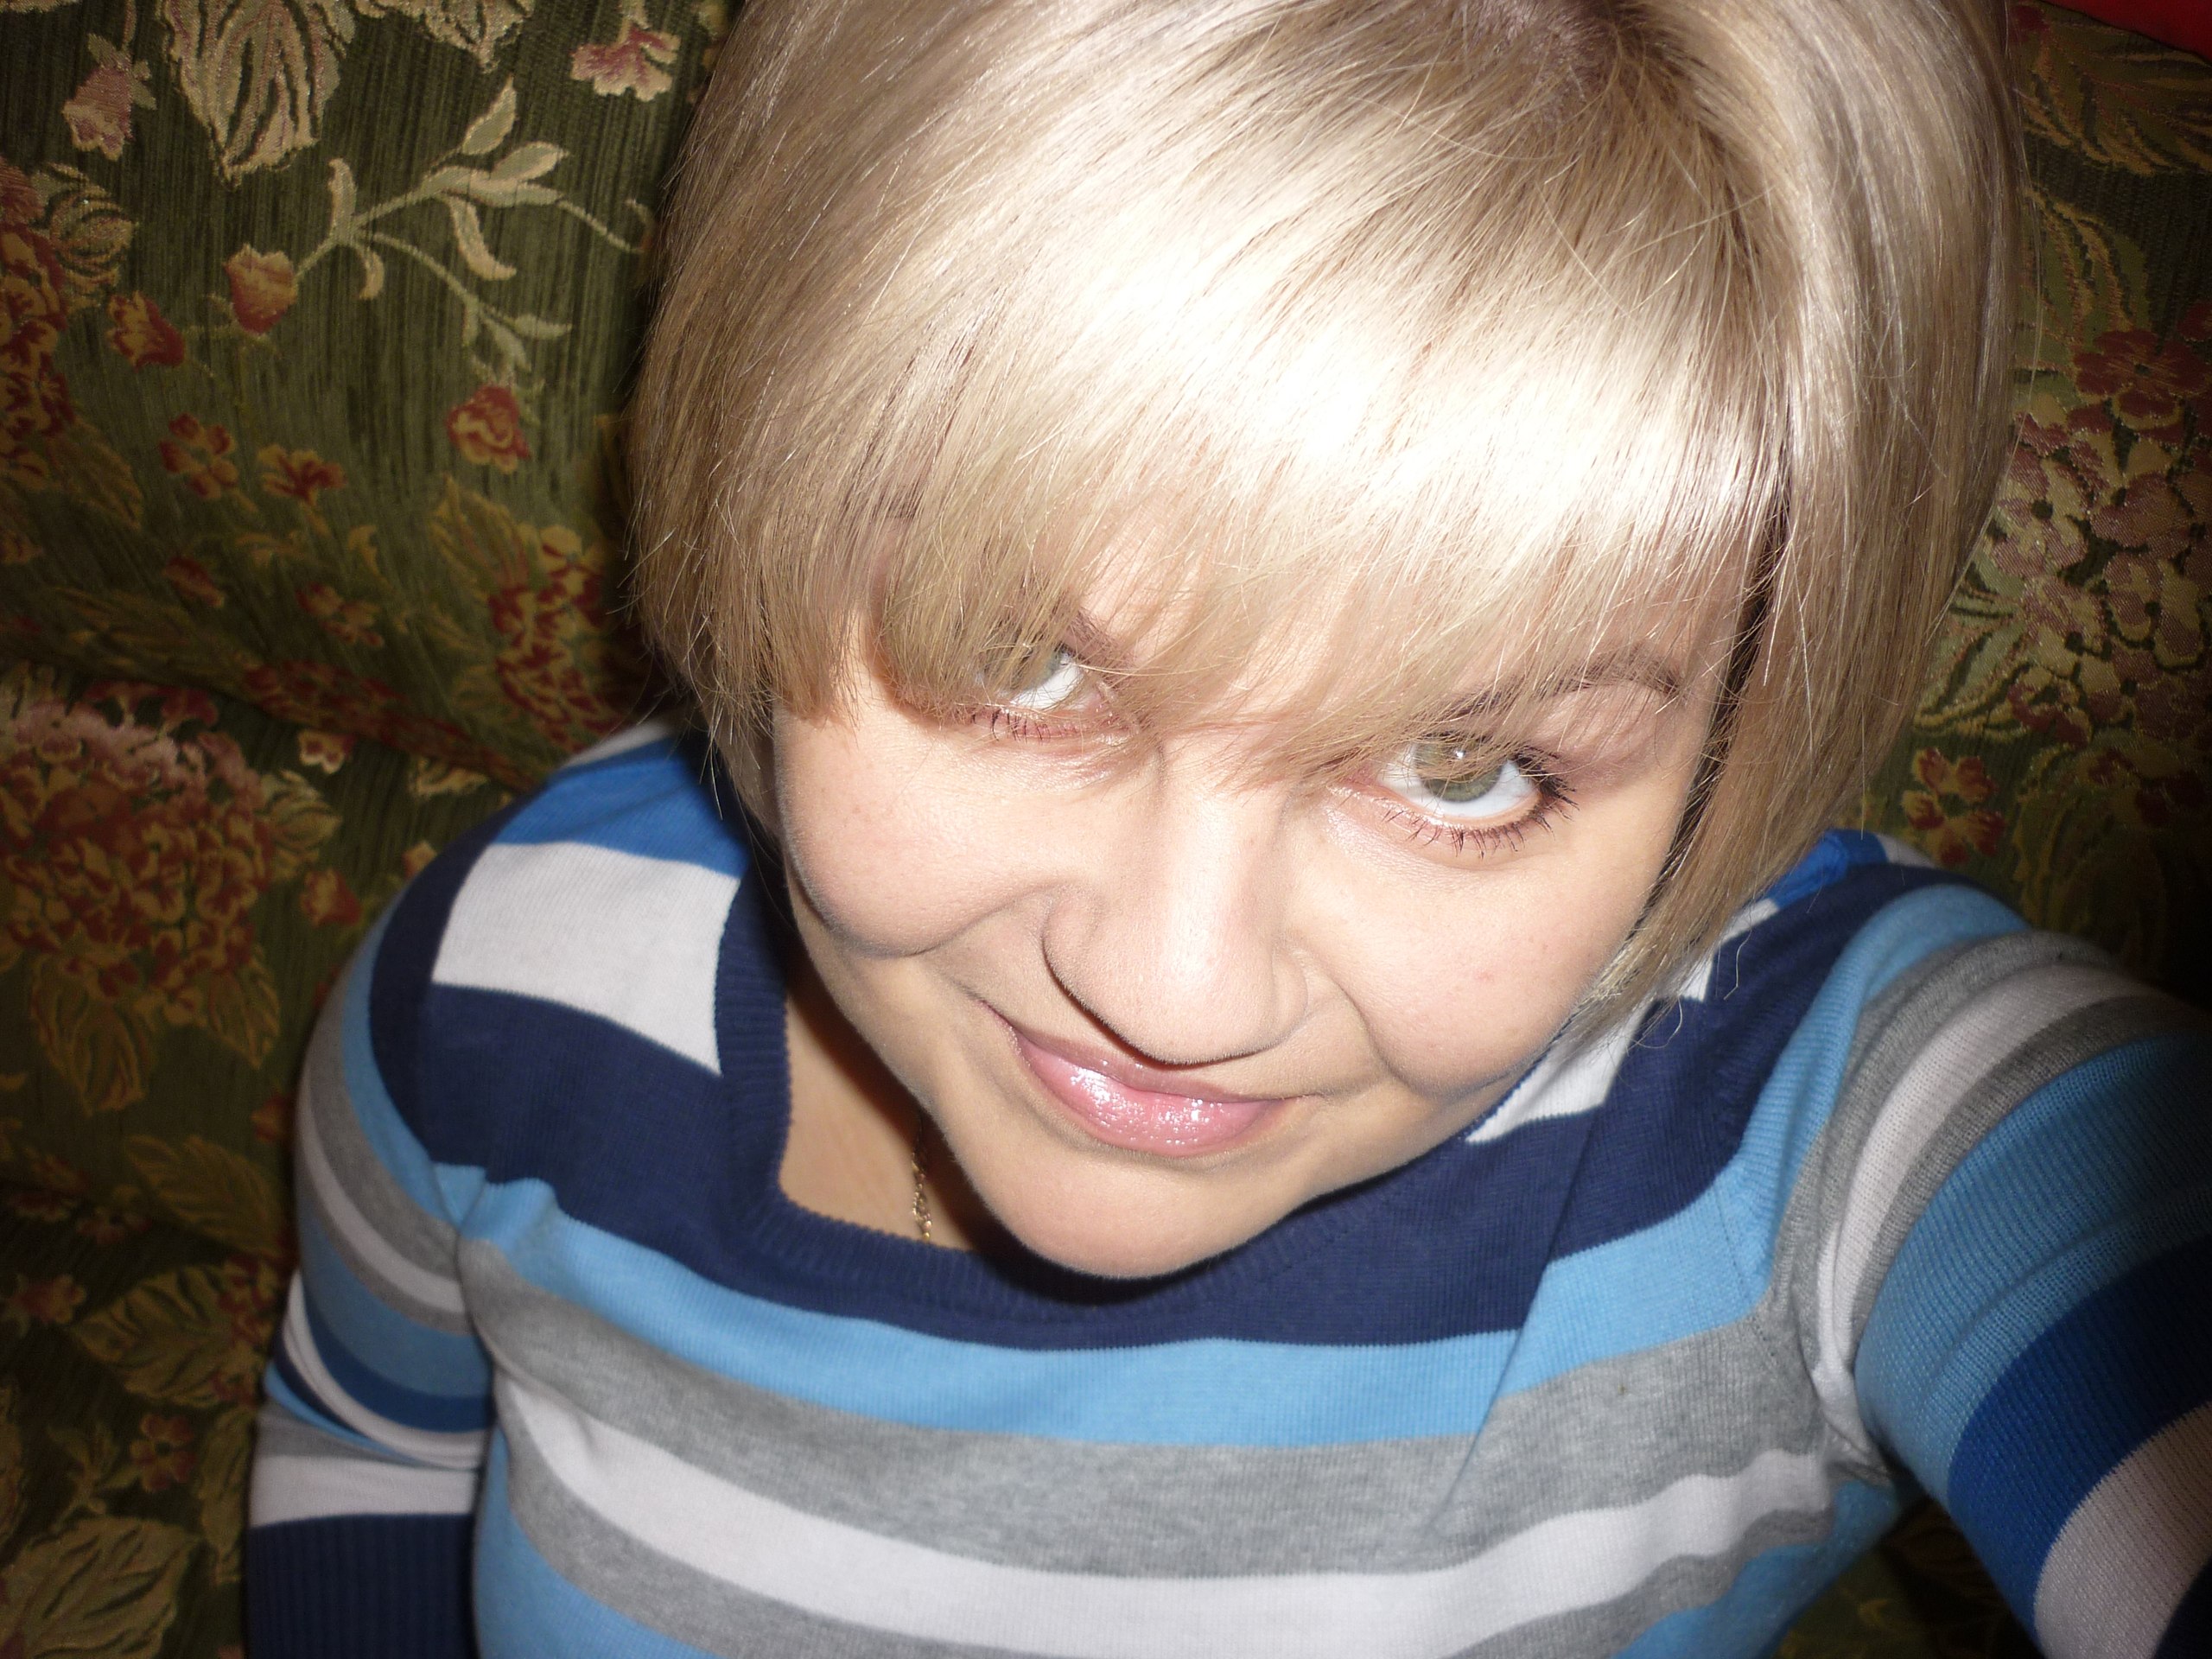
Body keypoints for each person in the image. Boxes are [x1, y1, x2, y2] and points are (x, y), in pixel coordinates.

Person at [242, 1, 2212, 1655]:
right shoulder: (511, 976)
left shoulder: (1824, 1132)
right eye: (1019, 657)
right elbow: (366, 1434)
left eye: (1464, 766)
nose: (1171, 995)